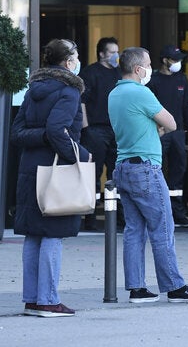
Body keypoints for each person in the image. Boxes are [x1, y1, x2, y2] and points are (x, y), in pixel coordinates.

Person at [109, 47, 188, 303]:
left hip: (123, 166)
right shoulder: (141, 92)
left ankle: (137, 288)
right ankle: (175, 286)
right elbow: (172, 123)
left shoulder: (115, 93)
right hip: (145, 167)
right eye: (147, 65)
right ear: (137, 69)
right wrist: (157, 126)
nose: (150, 69)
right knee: (162, 226)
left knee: (134, 230)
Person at [11, 39, 89, 317]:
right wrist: (81, 155)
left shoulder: (34, 90)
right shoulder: (69, 90)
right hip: (57, 172)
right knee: (54, 234)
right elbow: (57, 131)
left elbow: (17, 133)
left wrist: (41, 135)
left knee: (34, 234)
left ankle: (33, 299)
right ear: (68, 62)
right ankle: (48, 300)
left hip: (30, 169)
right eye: (76, 57)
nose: (78, 61)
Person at [147, 45, 188, 227]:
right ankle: (155, 213)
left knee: (178, 173)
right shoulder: (153, 81)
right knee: (154, 171)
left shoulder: (181, 79)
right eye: (175, 59)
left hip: (178, 133)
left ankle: (178, 213)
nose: (178, 63)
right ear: (165, 60)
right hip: (158, 132)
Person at [78, 36, 121, 231]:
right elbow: (82, 101)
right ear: (102, 54)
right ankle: (90, 217)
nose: (116, 55)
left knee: (117, 173)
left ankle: (118, 216)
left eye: (117, 52)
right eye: (112, 52)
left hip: (116, 130)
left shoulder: (120, 73)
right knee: (93, 174)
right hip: (96, 130)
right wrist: (86, 128)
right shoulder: (90, 73)